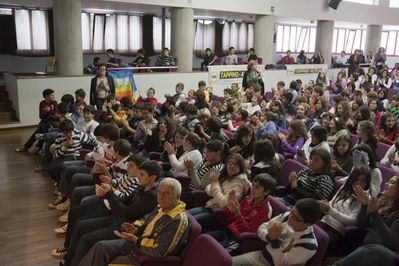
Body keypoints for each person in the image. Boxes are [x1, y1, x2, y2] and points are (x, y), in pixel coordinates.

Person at [79, 178, 190, 266]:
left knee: (102, 251)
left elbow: (160, 251)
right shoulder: (161, 207)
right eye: (160, 192)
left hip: (144, 255)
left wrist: (136, 241)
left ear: (177, 196)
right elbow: (145, 220)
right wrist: (135, 228)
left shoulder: (177, 220)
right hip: (136, 243)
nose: (161, 197)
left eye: (167, 193)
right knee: (100, 246)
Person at [232, 198, 321, 266]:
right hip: (260, 255)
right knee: (226, 262)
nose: (290, 217)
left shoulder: (308, 245)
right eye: (292, 212)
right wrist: (269, 237)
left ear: (308, 224)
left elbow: (281, 263)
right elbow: (262, 227)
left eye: (296, 218)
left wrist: (274, 240)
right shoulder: (286, 216)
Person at [333, 175, 399, 266]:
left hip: (388, 253)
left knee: (373, 250)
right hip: (369, 246)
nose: (386, 184)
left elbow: (391, 242)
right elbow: (361, 224)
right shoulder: (382, 200)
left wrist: (374, 213)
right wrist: (364, 206)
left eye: (392, 183)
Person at [207, 173, 276, 249]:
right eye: (253, 185)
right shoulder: (248, 198)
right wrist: (229, 207)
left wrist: (237, 213)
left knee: (212, 249)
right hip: (228, 230)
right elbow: (230, 219)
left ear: (266, 192)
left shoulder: (265, 210)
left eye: (257, 187)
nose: (253, 188)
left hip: (237, 239)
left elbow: (249, 233)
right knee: (205, 238)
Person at [318, 166, 371, 245]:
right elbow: (331, 203)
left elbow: (352, 221)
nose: (358, 183)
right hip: (324, 221)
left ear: (366, 183)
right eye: (356, 179)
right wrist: (324, 206)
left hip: (336, 230)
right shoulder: (345, 188)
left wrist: (330, 210)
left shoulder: (365, 199)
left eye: (362, 181)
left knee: (314, 240)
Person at [16, 88, 61, 152]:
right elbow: (41, 116)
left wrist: (49, 111)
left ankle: (28, 147)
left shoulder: (55, 102)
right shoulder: (42, 103)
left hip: (52, 122)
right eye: (52, 95)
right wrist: (48, 113)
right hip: (45, 121)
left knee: (39, 129)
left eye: (53, 95)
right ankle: (37, 147)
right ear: (46, 96)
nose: (54, 96)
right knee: (42, 128)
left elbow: (56, 114)